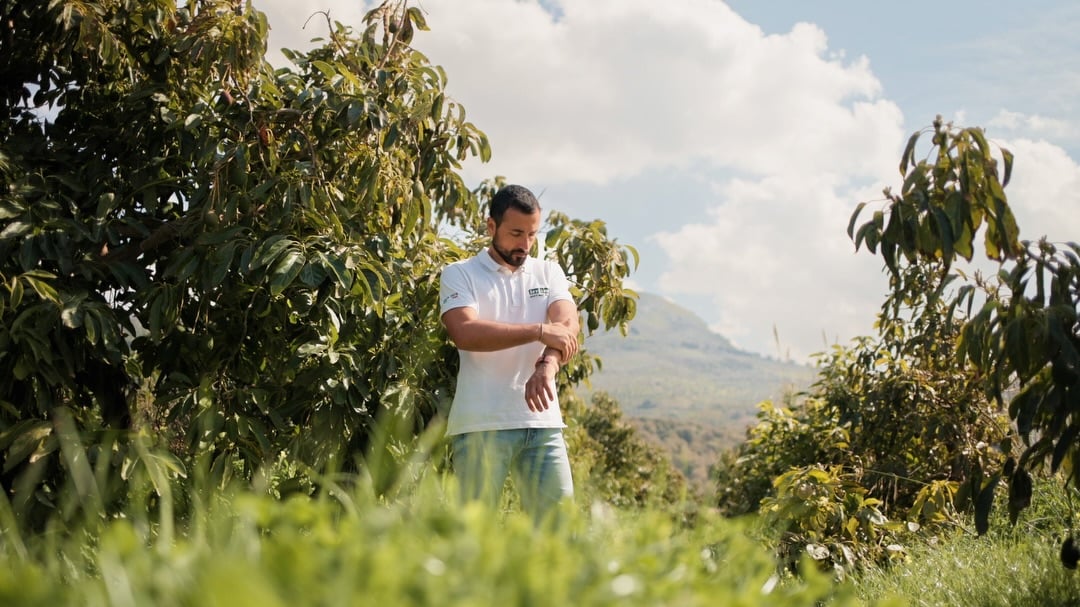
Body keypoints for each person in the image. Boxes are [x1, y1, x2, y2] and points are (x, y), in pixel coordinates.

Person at [439, 184, 580, 521]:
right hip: (481, 426)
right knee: (475, 539)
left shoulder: (549, 272)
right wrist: (538, 330)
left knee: (559, 533)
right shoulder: (460, 274)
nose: (525, 244)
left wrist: (548, 363)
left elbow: (568, 325)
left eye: (532, 234)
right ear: (491, 227)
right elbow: (465, 332)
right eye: (516, 233)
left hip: (543, 425)